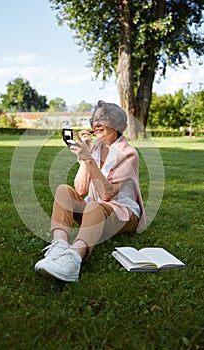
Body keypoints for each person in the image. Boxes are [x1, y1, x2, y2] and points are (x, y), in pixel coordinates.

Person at [35, 100, 145, 282]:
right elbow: (80, 189)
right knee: (64, 191)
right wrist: (85, 155)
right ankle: (60, 246)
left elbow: (106, 195)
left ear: (117, 123)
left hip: (123, 216)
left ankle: (74, 259)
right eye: (94, 120)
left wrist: (88, 158)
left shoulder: (128, 153)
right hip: (94, 212)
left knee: (95, 204)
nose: (96, 124)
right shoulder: (94, 148)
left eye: (102, 119)